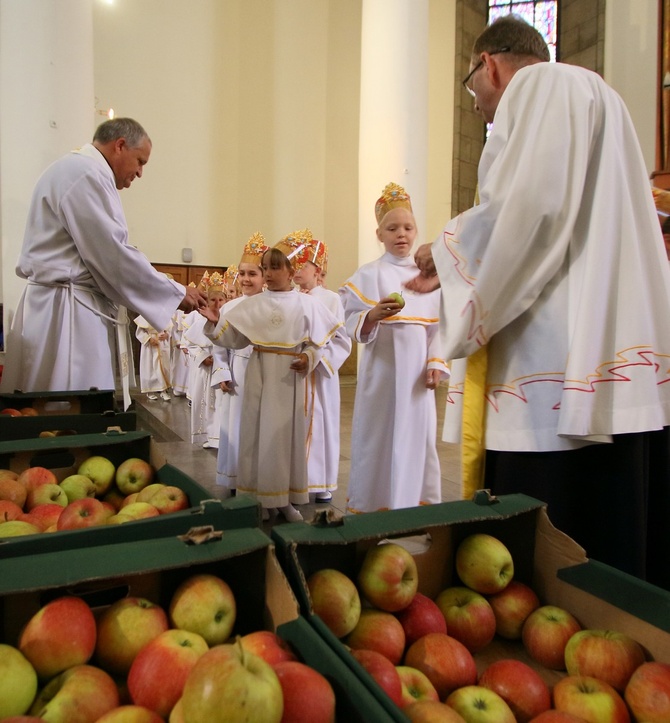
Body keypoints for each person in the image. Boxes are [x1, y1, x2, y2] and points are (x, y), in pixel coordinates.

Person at [408, 15, 670, 587]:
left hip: (554, 374)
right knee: (615, 563)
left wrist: (446, 252)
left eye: (470, 84)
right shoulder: (602, 97)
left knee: (550, 575)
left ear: (490, 66)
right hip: (615, 372)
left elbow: (534, 209)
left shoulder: (542, 86)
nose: (475, 104)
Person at [0, 118, 206, 404]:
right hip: (66, 312)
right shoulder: (86, 173)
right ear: (119, 145)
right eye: (140, 161)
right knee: (66, 404)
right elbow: (111, 253)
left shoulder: (79, 170)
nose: (140, 172)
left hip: (61, 302)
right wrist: (176, 292)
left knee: (53, 401)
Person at [201, 232, 351, 522]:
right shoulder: (252, 304)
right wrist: (214, 321)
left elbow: (321, 343)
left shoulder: (309, 304)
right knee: (257, 438)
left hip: (289, 382)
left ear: (291, 272)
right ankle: (262, 500)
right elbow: (232, 338)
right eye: (265, 267)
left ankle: (284, 501)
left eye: (274, 268)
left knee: (285, 439)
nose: (268, 274)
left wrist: (309, 357)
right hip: (259, 377)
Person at [339, 183, 449, 514]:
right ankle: (375, 507)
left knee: (418, 440)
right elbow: (347, 319)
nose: (401, 234)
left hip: (417, 377)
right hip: (381, 377)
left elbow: (438, 326)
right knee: (378, 439)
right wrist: (371, 316)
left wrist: (436, 363)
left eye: (408, 227)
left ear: (416, 232)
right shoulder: (368, 274)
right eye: (392, 228)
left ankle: (415, 507)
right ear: (379, 234)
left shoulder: (429, 276)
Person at [212, 232, 268, 498]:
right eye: (242, 273)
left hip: (265, 376)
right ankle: (235, 478)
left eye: (253, 273)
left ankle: (260, 479)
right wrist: (222, 371)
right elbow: (220, 345)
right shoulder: (229, 307)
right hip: (238, 374)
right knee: (235, 426)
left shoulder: (272, 305)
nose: (246, 279)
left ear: (265, 276)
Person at [293, 235, 348, 502]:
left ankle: (321, 481)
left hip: (320, 374)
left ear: (318, 270)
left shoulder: (330, 299)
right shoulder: (288, 297)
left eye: (303, 265)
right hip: (293, 372)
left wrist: (318, 359)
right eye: (294, 265)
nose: (297, 270)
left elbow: (340, 340)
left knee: (322, 423)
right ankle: (295, 479)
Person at [182, 272, 226, 448]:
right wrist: (203, 357)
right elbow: (190, 344)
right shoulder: (199, 322)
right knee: (206, 403)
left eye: (220, 300)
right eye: (212, 300)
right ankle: (209, 436)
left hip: (222, 368)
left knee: (222, 404)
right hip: (206, 371)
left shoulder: (227, 320)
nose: (216, 304)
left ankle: (220, 437)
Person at [134, 314, 172, 401]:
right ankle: (150, 391)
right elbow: (139, 332)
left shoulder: (163, 313)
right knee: (150, 368)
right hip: (150, 347)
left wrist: (166, 335)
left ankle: (163, 390)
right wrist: (148, 339)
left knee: (164, 367)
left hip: (161, 344)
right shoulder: (144, 314)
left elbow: (169, 330)